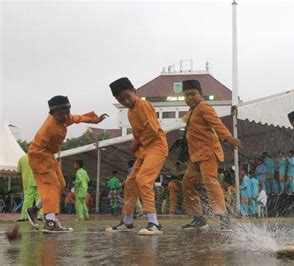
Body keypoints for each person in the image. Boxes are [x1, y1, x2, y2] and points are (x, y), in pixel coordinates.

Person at [26, 95, 107, 232]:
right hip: (39, 156)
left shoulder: (64, 118)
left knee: (61, 186)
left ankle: (34, 210)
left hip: (49, 155)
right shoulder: (49, 128)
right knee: (51, 186)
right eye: (61, 114)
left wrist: (94, 120)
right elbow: (47, 148)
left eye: (67, 112)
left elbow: (77, 118)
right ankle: (50, 221)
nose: (65, 117)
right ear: (52, 114)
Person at [105, 77, 168, 235]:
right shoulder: (130, 112)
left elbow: (153, 130)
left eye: (127, 96)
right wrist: (137, 142)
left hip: (157, 147)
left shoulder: (143, 104)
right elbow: (138, 132)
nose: (126, 101)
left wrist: (136, 142)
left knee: (143, 180)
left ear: (134, 91)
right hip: (145, 150)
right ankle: (127, 221)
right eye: (121, 100)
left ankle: (154, 223)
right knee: (130, 182)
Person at [179, 80, 242, 231]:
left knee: (210, 181)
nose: (189, 98)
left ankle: (224, 218)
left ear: (201, 94)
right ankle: (198, 218)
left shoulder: (204, 107)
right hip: (196, 156)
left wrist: (228, 138)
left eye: (193, 94)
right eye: (186, 95)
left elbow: (216, 123)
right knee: (187, 183)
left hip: (208, 152)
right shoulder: (191, 112)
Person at [17, 153, 42, 222]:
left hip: (28, 182)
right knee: (40, 198)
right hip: (39, 180)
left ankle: (24, 216)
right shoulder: (40, 157)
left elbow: (18, 172)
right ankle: (40, 216)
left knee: (27, 199)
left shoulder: (22, 158)